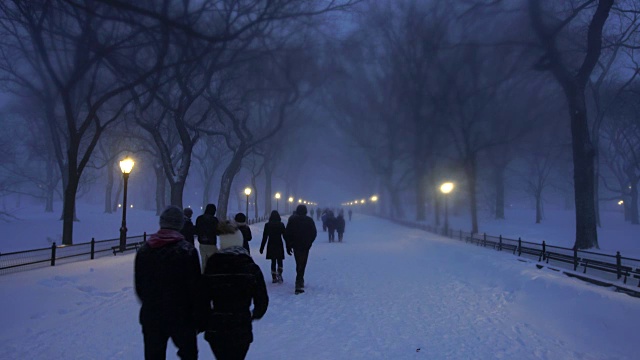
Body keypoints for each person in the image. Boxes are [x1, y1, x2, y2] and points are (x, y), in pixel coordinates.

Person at [135, 206, 201, 360]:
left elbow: (140, 286)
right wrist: (199, 316)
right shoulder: (187, 251)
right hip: (182, 315)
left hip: (153, 314)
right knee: (189, 354)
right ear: (180, 225)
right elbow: (196, 287)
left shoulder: (145, 250)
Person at [200, 220, 269, 360]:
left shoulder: (212, 265)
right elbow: (262, 299)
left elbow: (202, 296)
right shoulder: (250, 266)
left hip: (217, 327)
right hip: (241, 326)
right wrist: (254, 314)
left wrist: (205, 318)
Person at [285, 204, 317, 294]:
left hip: (296, 245)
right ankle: (299, 281)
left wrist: (289, 245)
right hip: (305, 245)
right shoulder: (309, 220)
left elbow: (287, 233)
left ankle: (299, 280)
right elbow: (313, 233)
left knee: (298, 262)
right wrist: (309, 242)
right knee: (303, 263)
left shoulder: (292, 220)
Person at [260, 210, 287, 284]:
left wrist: (262, 248)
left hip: (271, 244)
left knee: (273, 261)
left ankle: (274, 276)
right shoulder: (281, 224)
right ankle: (280, 273)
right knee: (280, 260)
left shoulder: (267, 225)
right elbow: (285, 236)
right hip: (279, 243)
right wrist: (288, 246)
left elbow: (264, 237)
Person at [196, 204, 219, 271]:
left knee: (204, 261)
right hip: (211, 243)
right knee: (213, 261)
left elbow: (197, 230)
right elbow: (217, 231)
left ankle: (204, 275)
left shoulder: (199, 218)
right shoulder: (214, 220)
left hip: (202, 243)